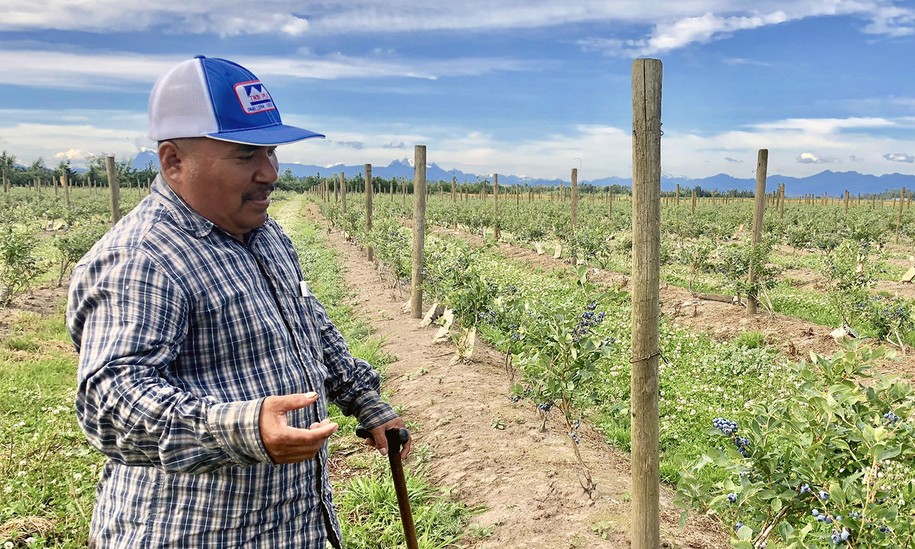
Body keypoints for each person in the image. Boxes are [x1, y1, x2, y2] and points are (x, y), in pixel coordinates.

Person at [66, 55, 409, 548]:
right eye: (245, 155)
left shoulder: (264, 233)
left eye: (269, 151)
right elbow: (110, 404)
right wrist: (242, 428)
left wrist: (365, 399)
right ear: (173, 161)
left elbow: (306, 322)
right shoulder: (143, 258)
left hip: (292, 525)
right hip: (197, 532)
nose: (270, 172)